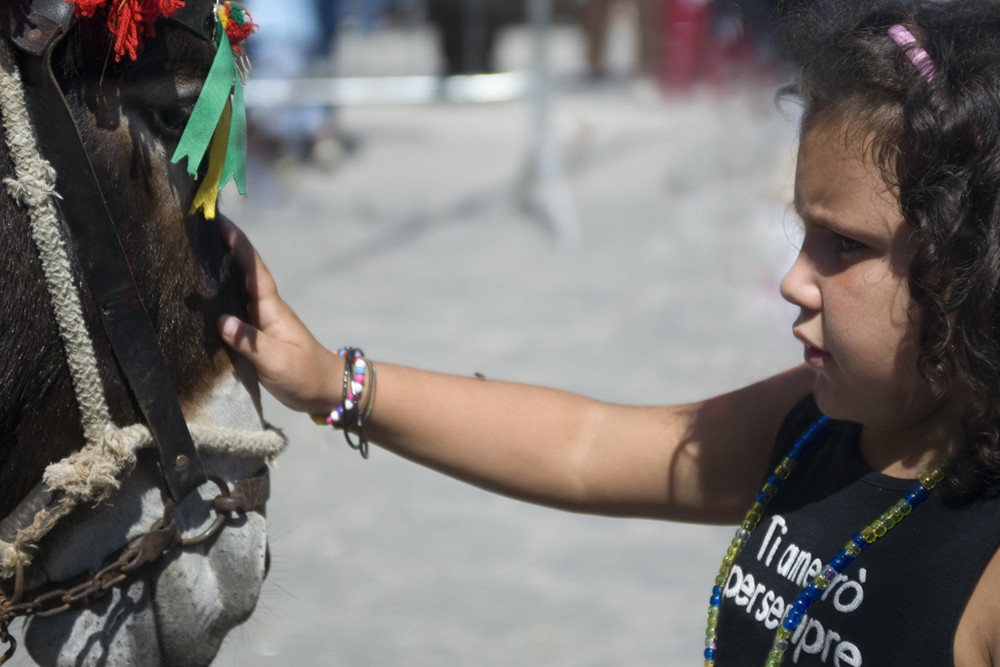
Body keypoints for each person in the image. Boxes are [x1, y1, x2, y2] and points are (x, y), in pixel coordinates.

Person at [216, 1, 1000, 664]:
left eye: (846, 246)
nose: (794, 279)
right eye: (802, 233)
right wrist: (332, 381)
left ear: (970, 266)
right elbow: (586, 446)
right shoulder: (812, 428)